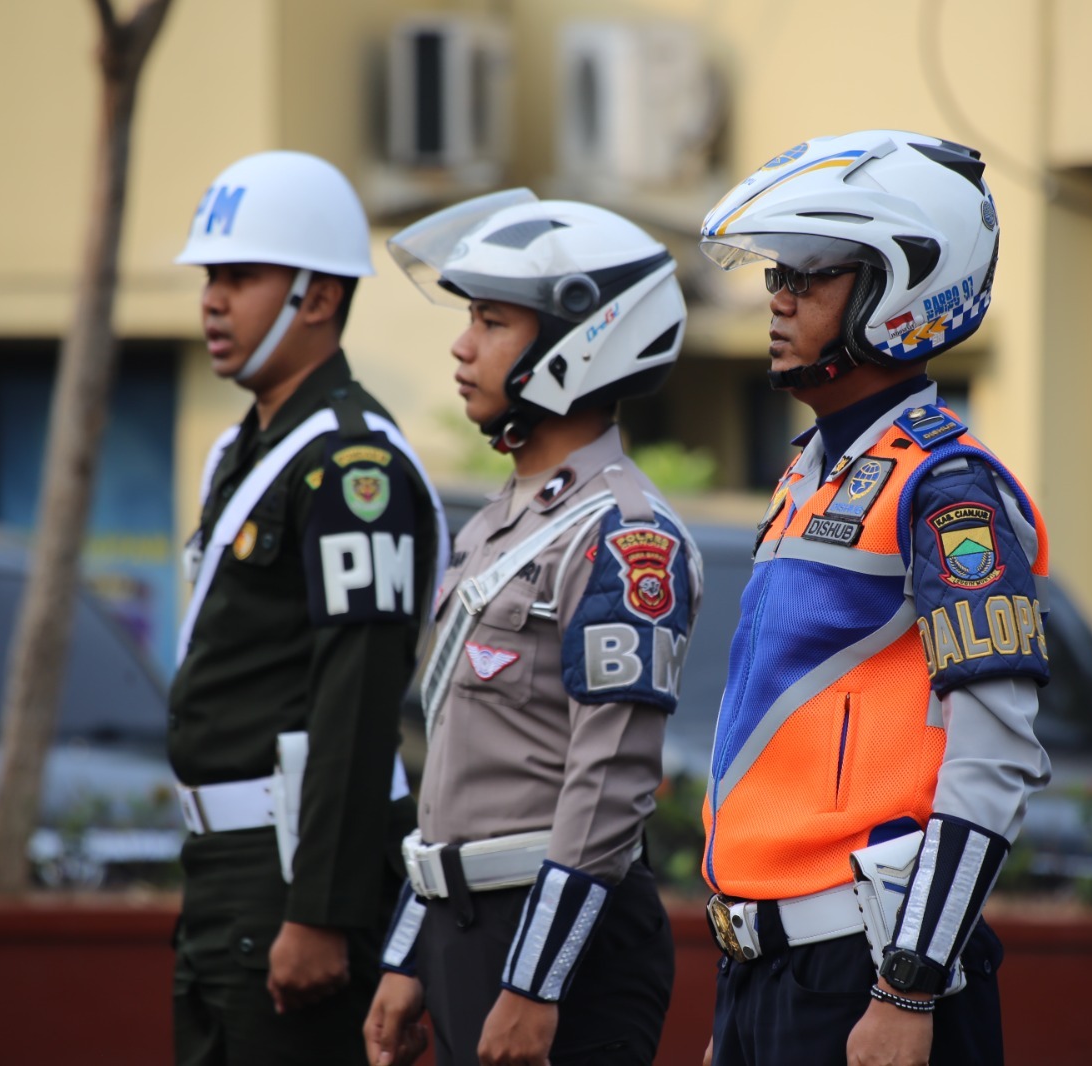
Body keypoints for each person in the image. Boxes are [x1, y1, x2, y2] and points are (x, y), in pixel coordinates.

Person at [694, 130, 1053, 1066]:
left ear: (903, 286)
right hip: (769, 978)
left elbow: (996, 754)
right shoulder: (810, 473)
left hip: (871, 977)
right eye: (776, 271)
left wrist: (910, 983)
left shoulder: (949, 487)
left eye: (807, 274)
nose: (777, 296)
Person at [362, 190, 701, 1066]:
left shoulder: (624, 533)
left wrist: (534, 984)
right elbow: (458, 770)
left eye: (491, 320)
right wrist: (407, 952)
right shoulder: (496, 524)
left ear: (578, 341)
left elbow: (612, 779)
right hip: (466, 928)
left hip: (558, 943)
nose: (461, 344)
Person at [167, 150, 447, 1066]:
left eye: (241, 276)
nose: (213, 299)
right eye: (212, 276)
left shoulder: (350, 466)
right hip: (224, 874)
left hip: (291, 872)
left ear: (318, 298)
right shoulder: (249, 450)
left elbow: (357, 699)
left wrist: (320, 913)